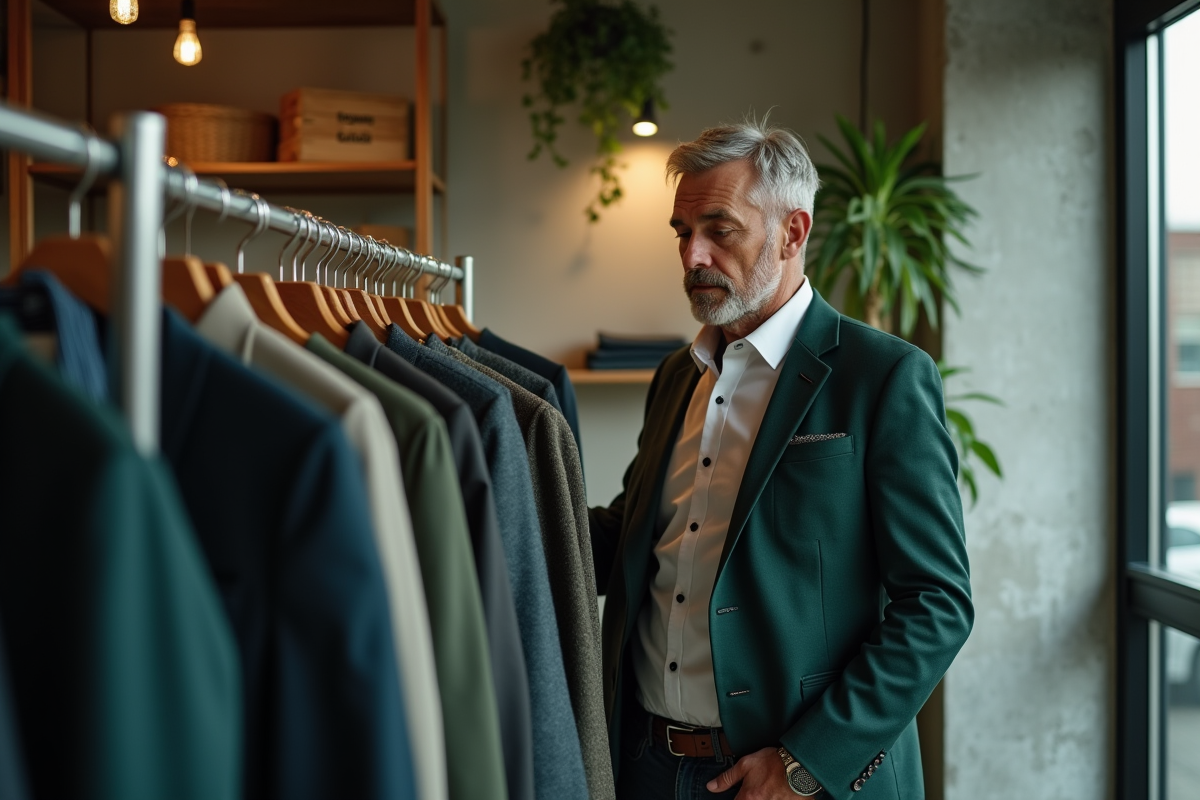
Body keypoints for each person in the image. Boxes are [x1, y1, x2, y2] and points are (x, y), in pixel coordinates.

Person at [588, 118, 974, 800]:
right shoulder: (678, 376)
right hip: (645, 764)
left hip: (790, 781)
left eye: (719, 229)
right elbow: (636, 536)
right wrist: (506, 503)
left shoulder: (882, 377)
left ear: (793, 232)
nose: (692, 256)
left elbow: (937, 603)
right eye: (682, 232)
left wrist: (804, 764)